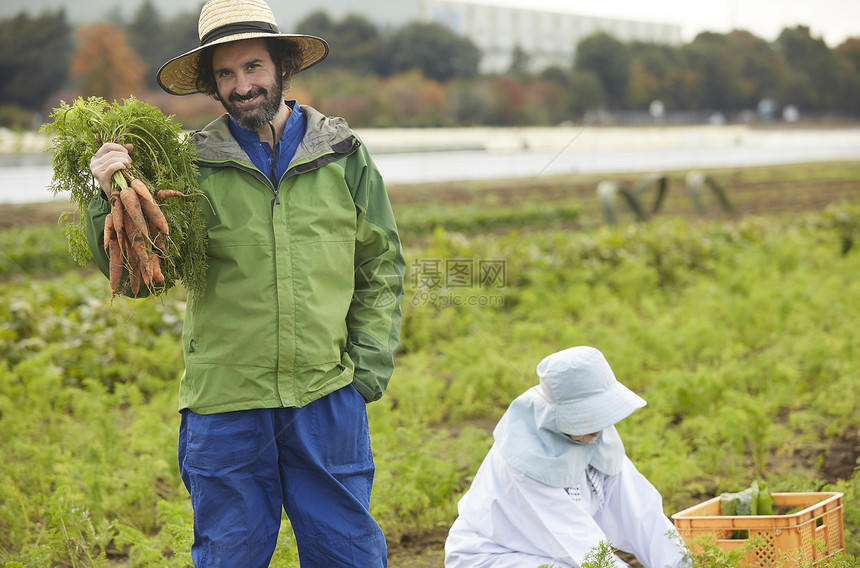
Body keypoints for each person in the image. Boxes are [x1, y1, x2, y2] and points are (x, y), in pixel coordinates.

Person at [86, 0, 404, 566]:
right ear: (211, 84)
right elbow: (137, 280)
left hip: (326, 398)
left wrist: (367, 369)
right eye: (226, 74)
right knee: (228, 556)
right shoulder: (188, 166)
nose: (242, 86)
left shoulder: (342, 154)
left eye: (253, 67)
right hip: (226, 406)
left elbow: (380, 265)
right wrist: (108, 194)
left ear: (282, 66)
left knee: (349, 555)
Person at [444, 346, 689, 568]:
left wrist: (683, 565)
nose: (597, 425)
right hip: (494, 557)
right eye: (586, 415)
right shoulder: (527, 459)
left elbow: (642, 513)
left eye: (601, 412)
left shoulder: (596, 435)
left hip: (549, 552)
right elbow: (579, 544)